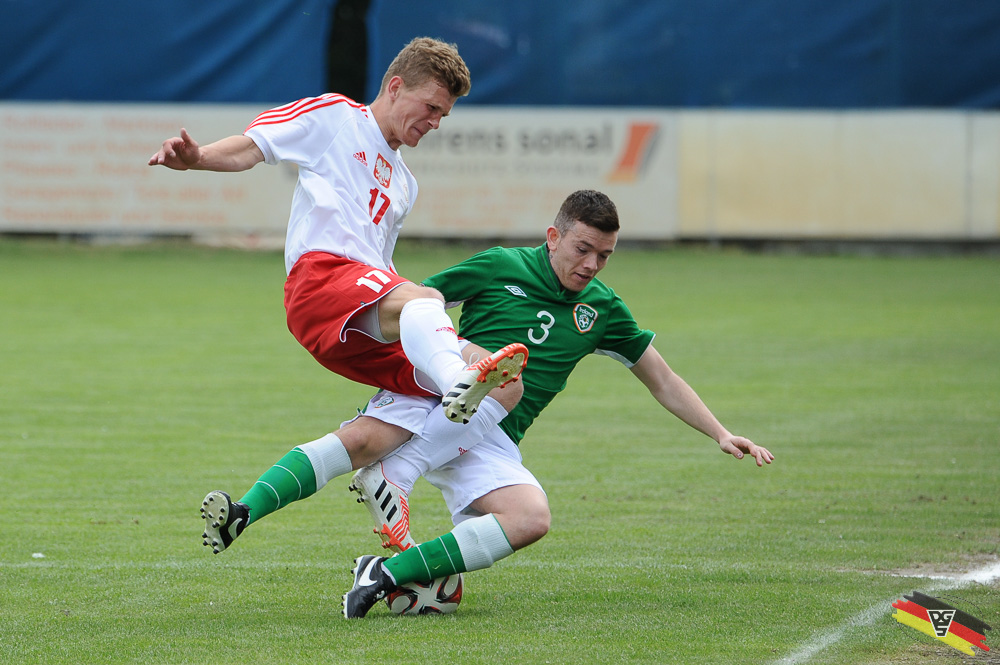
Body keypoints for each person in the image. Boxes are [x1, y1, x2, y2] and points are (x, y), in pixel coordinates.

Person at [340, 189, 774, 618]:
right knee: (347, 449)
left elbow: (662, 379)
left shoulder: (602, 308)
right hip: (440, 406)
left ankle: (385, 573)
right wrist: (459, 353)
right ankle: (392, 473)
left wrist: (720, 433)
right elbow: (416, 307)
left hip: (495, 438)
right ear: (553, 237)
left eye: (604, 256)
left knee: (530, 518)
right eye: (583, 249)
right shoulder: (501, 265)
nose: (591, 265)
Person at [148, 36, 527, 432]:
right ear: (396, 87)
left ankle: (390, 459)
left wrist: (419, 314)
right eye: (431, 108)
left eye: (443, 115)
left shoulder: (405, 183)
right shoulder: (337, 116)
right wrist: (198, 157)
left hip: (354, 316)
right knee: (431, 312)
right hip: (319, 280)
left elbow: (380, 263)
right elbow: (252, 147)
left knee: (500, 384)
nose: (435, 122)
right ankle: (454, 381)